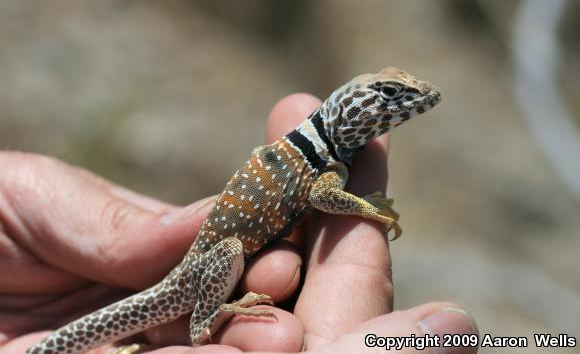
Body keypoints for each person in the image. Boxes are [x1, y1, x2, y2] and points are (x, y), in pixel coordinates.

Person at [0, 94, 478, 354]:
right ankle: (206, 321)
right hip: (199, 273)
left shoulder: (328, 151)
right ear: (352, 113)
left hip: (204, 268)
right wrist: (369, 210)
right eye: (389, 100)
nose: (401, 108)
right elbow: (319, 195)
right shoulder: (326, 162)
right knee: (232, 255)